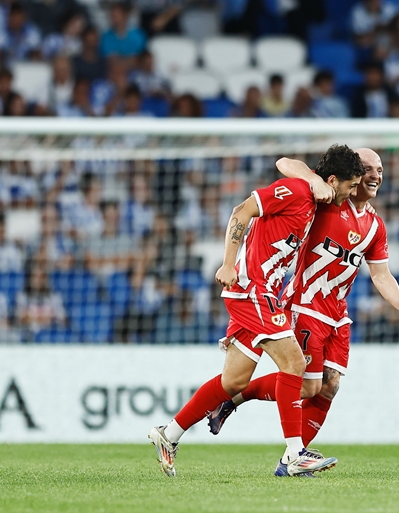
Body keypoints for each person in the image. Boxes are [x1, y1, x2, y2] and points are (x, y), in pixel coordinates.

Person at [148, 144, 361, 478]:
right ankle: (294, 455)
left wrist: (309, 175)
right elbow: (241, 211)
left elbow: (290, 162)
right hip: (252, 289)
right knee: (294, 362)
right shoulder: (295, 191)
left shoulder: (312, 196)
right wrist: (228, 264)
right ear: (333, 180)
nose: (350, 194)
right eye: (349, 187)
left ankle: (168, 435)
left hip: (266, 292)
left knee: (233, 381)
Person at [205, 148, 399, 457]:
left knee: (330, 386)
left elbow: (381, 274)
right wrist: (311, 177)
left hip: (337, 314)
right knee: (308, 386)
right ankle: (240, 404)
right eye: (369, 169)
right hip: (305, 305)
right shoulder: (327, 200)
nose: (376, 175)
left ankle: (294, 458)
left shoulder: (376, 226)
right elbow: (284, 162)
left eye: (380, 169)